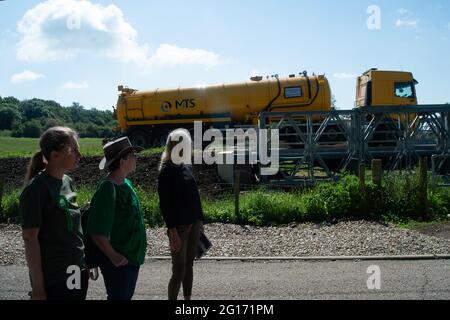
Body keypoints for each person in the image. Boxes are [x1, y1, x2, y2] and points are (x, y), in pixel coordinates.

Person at [19, 126, 87, 300]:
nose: (79, 155)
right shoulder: (37, 188)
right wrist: (38, 287)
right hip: (55, 276)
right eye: (74, 150)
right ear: (55, 155)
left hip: (76, 270)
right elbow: (30, 238)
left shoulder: (67, 181)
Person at [87, 136, 147, 300]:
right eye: (132, 155)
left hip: (131, 258)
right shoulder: (107, 190)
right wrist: (114, 256)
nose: (136, 158)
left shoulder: (126, 183)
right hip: (119, 260)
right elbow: (97, 231)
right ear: (122, 161)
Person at [158, 129, 205, 300]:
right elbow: (165, 205)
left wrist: (200, 220)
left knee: (189, 264)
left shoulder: (186, 168)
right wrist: (173, 232)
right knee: (178, 269)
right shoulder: (166, 172)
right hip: (179, 228)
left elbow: (195, 196)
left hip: (192, 224)